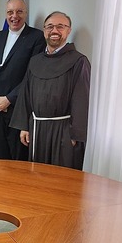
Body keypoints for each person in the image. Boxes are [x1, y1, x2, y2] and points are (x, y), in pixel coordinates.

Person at [10, 11, 91, 170]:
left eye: (60, 26)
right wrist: (24, 127)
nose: (54, 31)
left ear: (69, 30)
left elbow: (82, 100)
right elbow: (25, 94)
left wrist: (75, 134)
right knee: (38, 174)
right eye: (50, 27)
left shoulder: (78, 61)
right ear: (44, 30)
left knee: (61, 177)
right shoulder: (35, 61)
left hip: (64, 131)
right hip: (37, 128)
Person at [0, 0, 45, 160]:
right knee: (1, 158)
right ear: (6, 14)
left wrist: (9, 99)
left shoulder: (36, 37)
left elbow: (32, 76)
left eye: (19, 12)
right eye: (10, 12)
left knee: (18, 161)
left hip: (18, 111)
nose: (14, 16)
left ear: (26, 13)